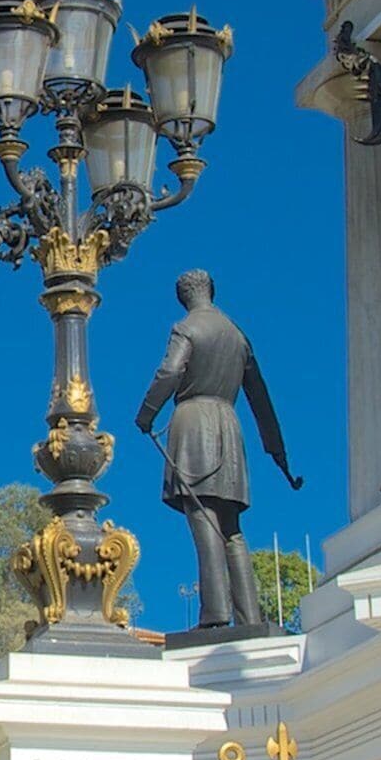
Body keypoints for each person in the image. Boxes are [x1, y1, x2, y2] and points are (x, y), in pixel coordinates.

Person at [134, 270, 299, 633]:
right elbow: (260, 399)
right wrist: (277, 451)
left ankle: (214, 614)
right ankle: (249, 616)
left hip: (195, 424)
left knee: (203, 516)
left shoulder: (186, 329)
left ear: (183, 296)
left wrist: (146, 414)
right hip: (229, 425)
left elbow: (169, 372)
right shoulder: (238, 336)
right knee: (232, 527)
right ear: (211, 291)